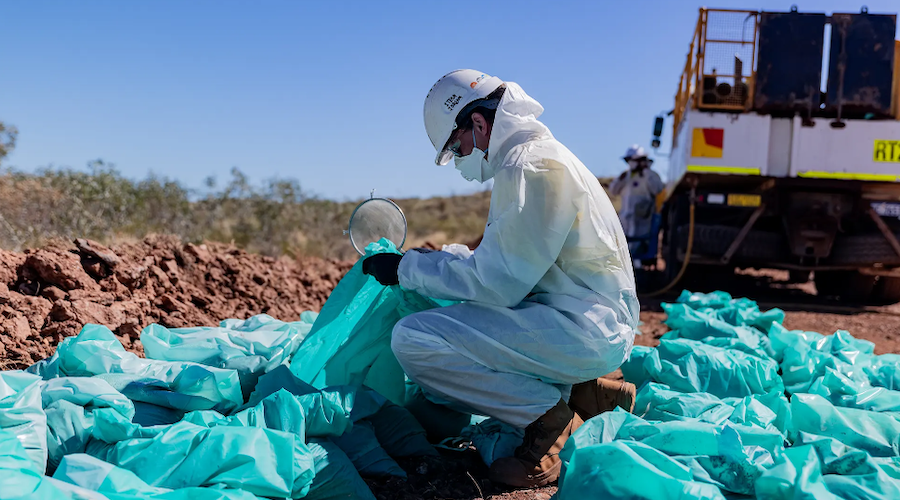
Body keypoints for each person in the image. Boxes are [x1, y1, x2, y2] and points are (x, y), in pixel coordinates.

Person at [361, 70, 639, 487]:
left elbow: (498, 282)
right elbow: (508, 260)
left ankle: (547, 419)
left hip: (583, 329)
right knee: (459, 317)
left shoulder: (531, 166)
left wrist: (406, 270)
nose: (458, 158)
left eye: (456, 147)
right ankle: (584, 390)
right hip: (579, 321)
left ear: (478, 123)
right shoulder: (533, 158)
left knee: (414, 338)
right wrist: (431, 261)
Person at [608, 145, 665, 263]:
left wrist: (646, 171)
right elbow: (613, 190)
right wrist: (621, 179)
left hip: (643, 220)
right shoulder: (625, 175)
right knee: (622, 248)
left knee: (638, 250)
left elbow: (657, 189)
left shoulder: (650, 175)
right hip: (625, 219)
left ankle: (638, 274)